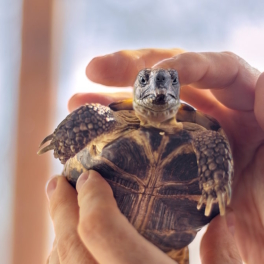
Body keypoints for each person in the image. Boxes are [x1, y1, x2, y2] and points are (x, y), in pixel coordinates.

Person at [45, 49, 264, 264]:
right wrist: (64, 139)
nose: (159, 82)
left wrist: (225, 180)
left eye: (171, 81)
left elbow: (215, 143)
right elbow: (95, 115)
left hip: (168, 242)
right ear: (136, 92)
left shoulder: (202, 135)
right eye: (144, 81)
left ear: (176, 90)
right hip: (167, 241)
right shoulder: (111, 119)